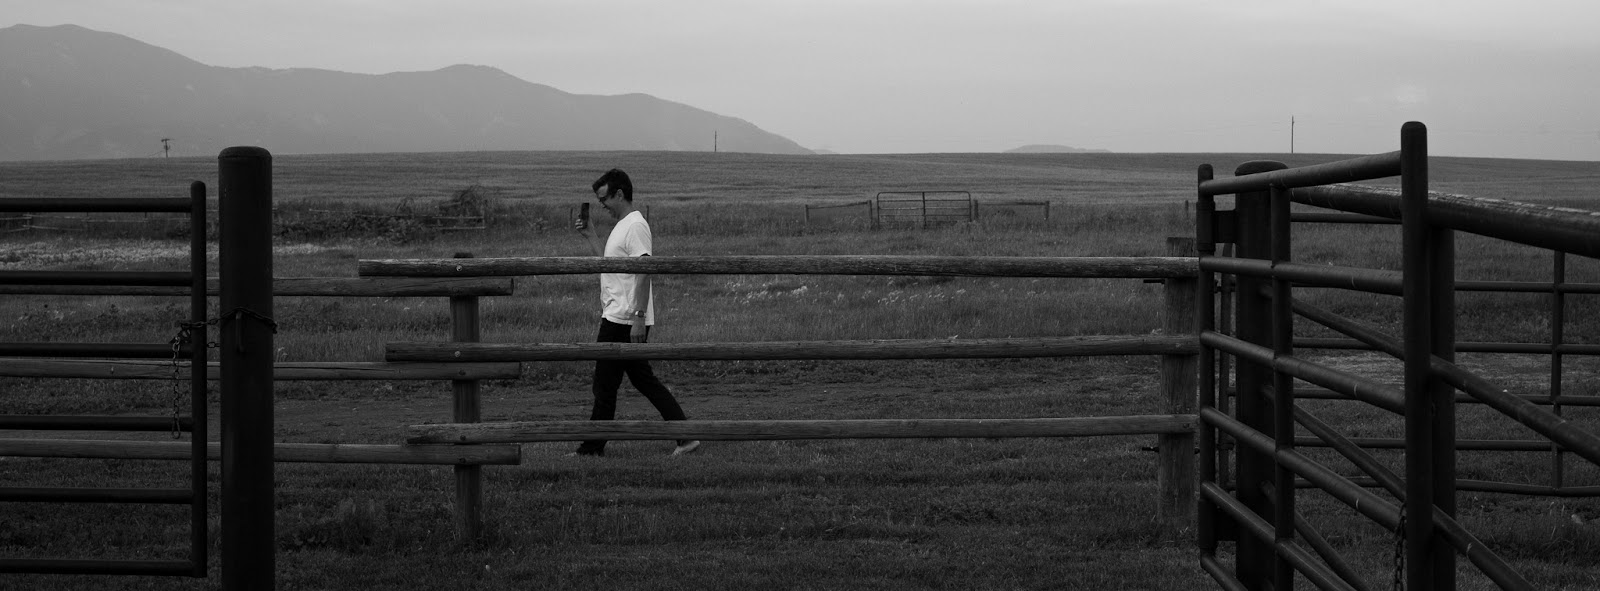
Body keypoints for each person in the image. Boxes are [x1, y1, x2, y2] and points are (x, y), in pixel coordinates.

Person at [570, 168, 699, 457]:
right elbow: (611, 264)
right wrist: (591, 234)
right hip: (620, 314)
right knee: (640, 380)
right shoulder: (623, 224)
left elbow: (644, 271)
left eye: (604, 198)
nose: (601, 204)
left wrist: (639, 318)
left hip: (625, 318)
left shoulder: (636, 226)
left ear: (619, 194)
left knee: (605, 385)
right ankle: (685, 436)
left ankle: (591, 449)